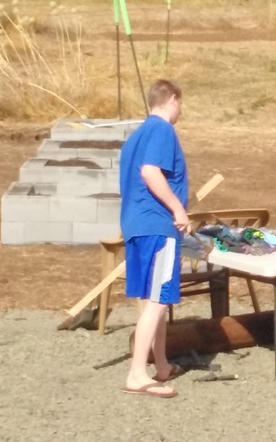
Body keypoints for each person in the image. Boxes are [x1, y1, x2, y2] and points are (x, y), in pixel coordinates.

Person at [119, 79, 190, 397]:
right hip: (157, 226)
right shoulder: (162, 130)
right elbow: (150, 172)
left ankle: (161, 364)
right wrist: (178, 209)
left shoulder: (136, 136)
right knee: (159, 300)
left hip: (135, 224)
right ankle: (137, 373)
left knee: (150, 299)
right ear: (173, 99)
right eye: (181, 103)